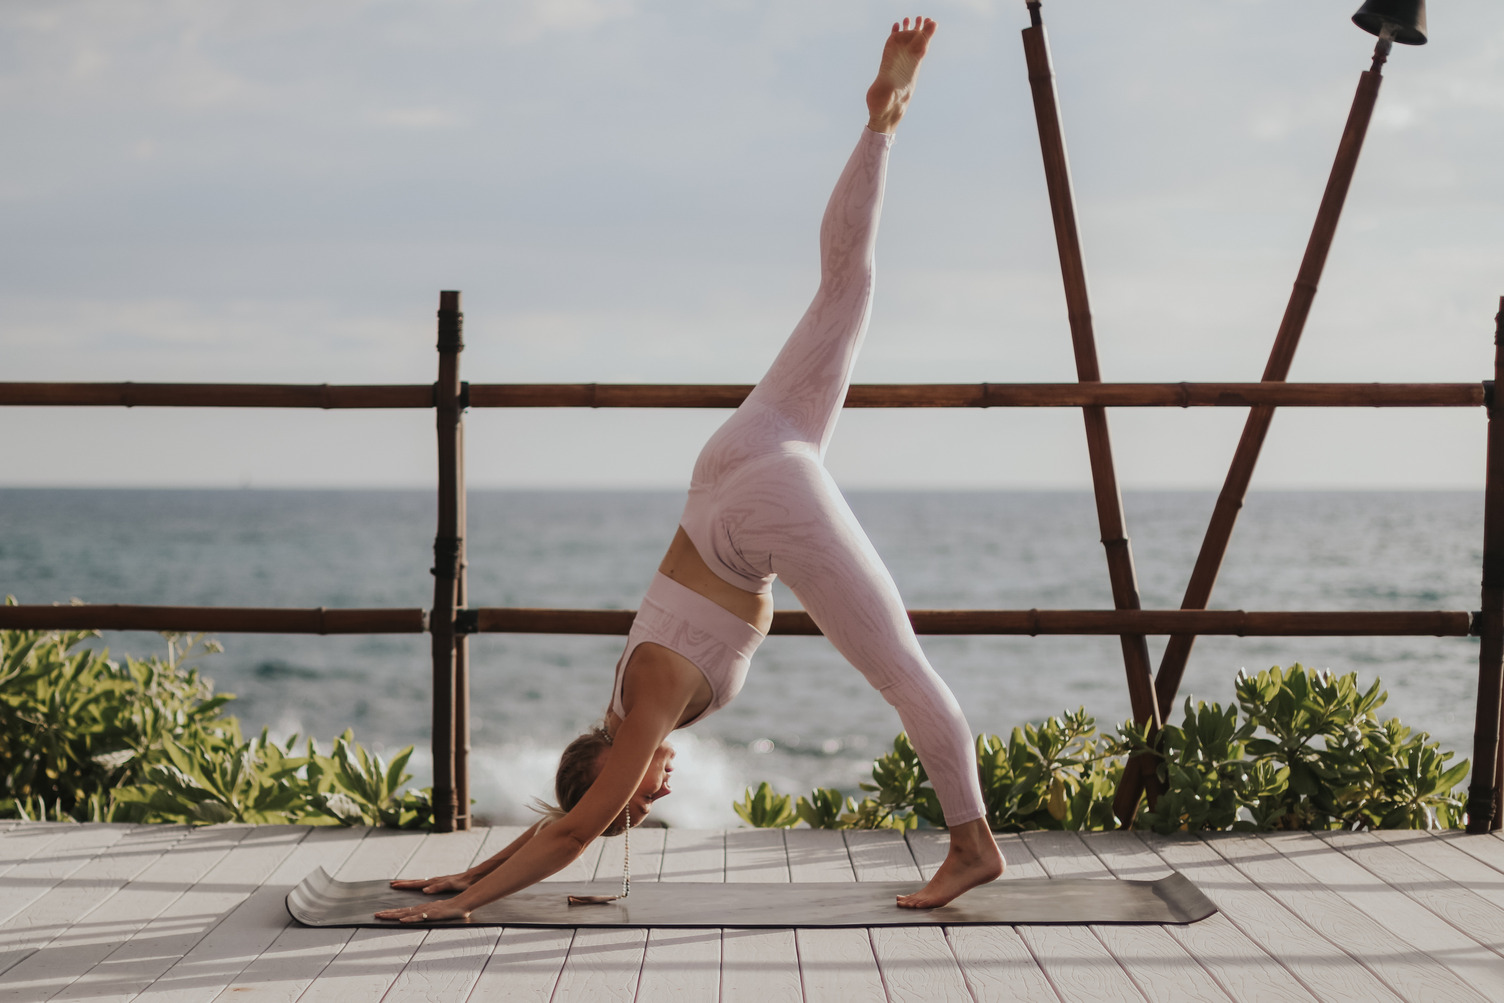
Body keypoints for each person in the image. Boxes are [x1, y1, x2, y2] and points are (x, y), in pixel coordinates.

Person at [377, 15, 1003, 923]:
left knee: (902, 669)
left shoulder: (644, 711)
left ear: (609, 767)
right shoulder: (627, 698)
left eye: (634, 801)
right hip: (730, 464)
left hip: (756, 500)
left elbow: (569, 831)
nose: (652, 797)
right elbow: (569, 812)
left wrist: (456, 907)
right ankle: (881, 126)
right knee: (845, 291)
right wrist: (464, 873)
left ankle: (972, 842)